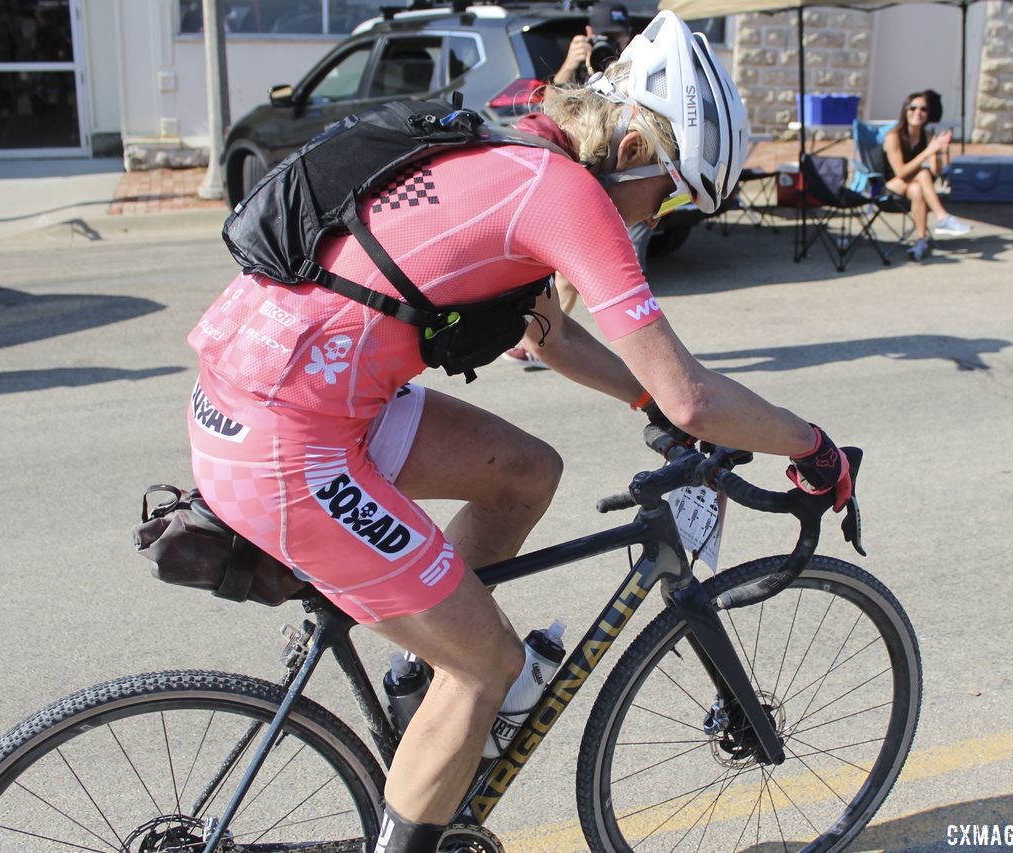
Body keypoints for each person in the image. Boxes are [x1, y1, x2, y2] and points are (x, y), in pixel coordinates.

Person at [185, 12, 855, 852]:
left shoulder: (522, 135)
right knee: (488, 663)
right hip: (289, 442)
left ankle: (417, 679)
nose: (661, 212)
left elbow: (551, 337)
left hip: (267, 395)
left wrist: (644, 407)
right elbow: (690, 395)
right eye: (675, 189)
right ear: (640, 149)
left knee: (526, 470)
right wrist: (811, 446)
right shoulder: (564, 192)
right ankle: (448, 693)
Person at [504, 0, 648, 370]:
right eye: (604, 36)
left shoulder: (635, 69)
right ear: (588, 34)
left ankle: (549, 341)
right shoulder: (576, 68)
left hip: (622, 185)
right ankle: (545, 341)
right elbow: (546, 110)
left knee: (616, 275)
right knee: (568, 274)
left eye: (619, 35)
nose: (612, 43)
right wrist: (571, 65)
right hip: (577, 186)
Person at [881, 91, 972, 262]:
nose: (918, 112)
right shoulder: (894, 136)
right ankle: (942, 217)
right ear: (905, 110)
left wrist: (942, 150)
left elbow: (937, 171)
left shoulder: (928, 136)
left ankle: (921, 242)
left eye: (923, 109)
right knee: (922, 174)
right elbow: (900, 172)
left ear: (928, 114)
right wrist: (928, 151)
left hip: (912, 186)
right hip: (889, 185)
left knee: (918, 188)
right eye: (913, 108)